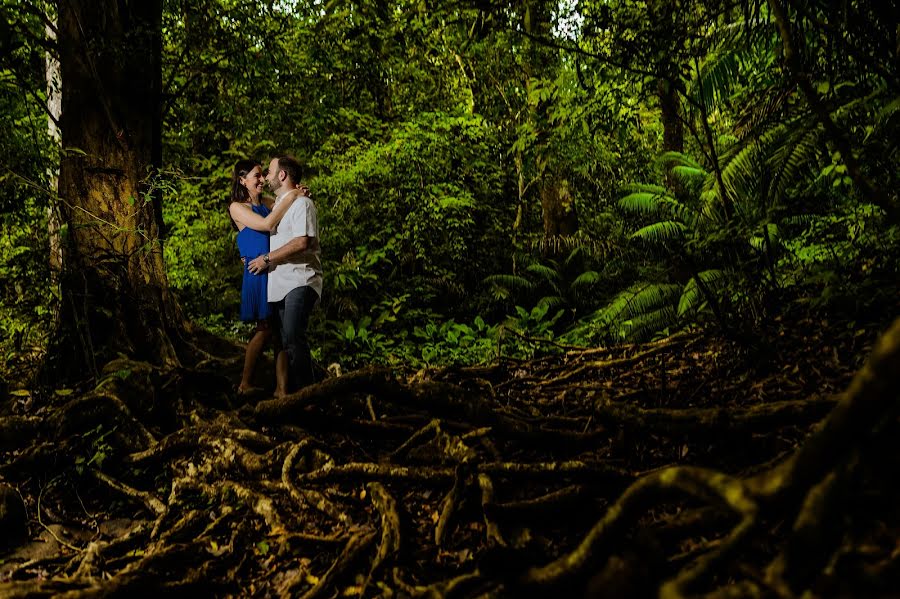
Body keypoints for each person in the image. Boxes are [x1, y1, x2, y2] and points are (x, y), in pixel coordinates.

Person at [227, 159, 305, 395]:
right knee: (264, 328)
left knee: (279, 331)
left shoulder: (268, 203)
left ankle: (281, 389)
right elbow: (266, 224)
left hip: (273, 269)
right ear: (242, 180)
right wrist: (292, 197)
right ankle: (245, 383)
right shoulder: (237, 207)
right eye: (256, 176)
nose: (261, 180)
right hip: (257, 271)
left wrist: (300, 195)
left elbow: (285, 210)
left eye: (262, 175)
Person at [248, 155, 322, 392]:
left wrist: (267, 259)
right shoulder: (280, 205)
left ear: (282, 175)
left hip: (300, 280)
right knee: (282, 341)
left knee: (292, 335)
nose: (266, 177)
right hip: (278, 285)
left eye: (269, 172)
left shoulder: (302, 204)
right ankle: (288, 393)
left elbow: (302, 242)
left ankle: (308, 395)